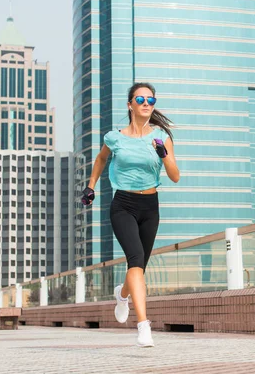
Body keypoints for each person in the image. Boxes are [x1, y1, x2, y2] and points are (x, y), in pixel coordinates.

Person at [81, 82, 180, 347]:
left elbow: (175, 176)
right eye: (140, 99)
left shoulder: (160, 136)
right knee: (135, 259)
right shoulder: (115, 137)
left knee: (139, 266)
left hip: (150, 206)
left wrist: (164, 154)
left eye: (151, 99)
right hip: (123, 204)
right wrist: (91, 186)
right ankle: (144, 326)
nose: (147, 103)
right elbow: (101, 159)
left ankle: (122, 294)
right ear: (130, 105)